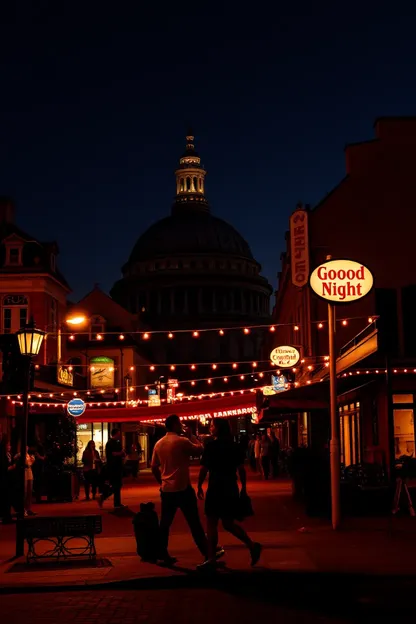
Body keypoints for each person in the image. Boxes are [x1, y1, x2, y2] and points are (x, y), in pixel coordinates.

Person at [151, 414, 224, 565]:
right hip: (183, 487)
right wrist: (192, 436)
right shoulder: (182, 441)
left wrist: (161, 481)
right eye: (179, 424)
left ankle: (161, 552)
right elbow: (200, 450)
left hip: (167, 489)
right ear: (174, 425)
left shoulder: (159, 444)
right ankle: (206, 552)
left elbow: (154, 466)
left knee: (165, 523)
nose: (181, 426)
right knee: (194, 522)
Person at [197, 418, 262, 570]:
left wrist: (199, 485)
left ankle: (212, 558)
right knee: (228, 523)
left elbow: (204, 468)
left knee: (211, 522)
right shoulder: (234, 446)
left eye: (212, 426)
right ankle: (251, 545)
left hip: (215, 486)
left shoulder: (211, 446)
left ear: (218, 428)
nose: (210, 428)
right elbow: (241, 469)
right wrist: (243, 488)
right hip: (230, 486)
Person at [99, 429, 126, 509]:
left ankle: (116, 502)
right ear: (114, 434)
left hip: (118, 466)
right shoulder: (110, 443)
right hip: (113, 467)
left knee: (118, 485)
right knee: (116, 485)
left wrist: (122, 454)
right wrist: (120, 453)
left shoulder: (118, 442)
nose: (119, 436)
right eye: (118, 434)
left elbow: (120, 453)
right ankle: (106, 497)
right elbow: (112, 454)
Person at [0, 441, 16, 524]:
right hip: (4, 479)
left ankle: (8, 515)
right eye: (8, 445)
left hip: (10, 479)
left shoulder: (10, 454)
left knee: (9, 498)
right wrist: (11, 467)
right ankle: (5, 516)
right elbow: (3, 467)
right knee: (5, 499)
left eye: (10, 445)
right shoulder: (2, 455)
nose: (10, 446)